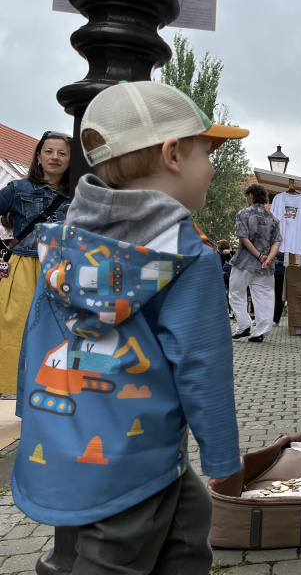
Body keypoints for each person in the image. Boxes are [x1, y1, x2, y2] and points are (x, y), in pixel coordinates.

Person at [11, 81, 246, 574]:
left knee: (189, 514)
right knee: (113, 554)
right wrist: (224, 460)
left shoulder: (66, 242)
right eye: (210, 153)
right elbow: (202, 367)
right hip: (137, 449)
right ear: (174, 154)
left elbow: (37, 339)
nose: (213, 168)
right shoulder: (187, 256)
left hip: (66, 437)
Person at [0, 130, 71, 398]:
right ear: (38, 156)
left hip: (61, 272)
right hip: (23, 269)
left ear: (70, 159)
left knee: (55, 334)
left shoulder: (78, 196)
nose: (55, 157)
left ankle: (47, 396)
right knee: (14, 333)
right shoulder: (18, 189)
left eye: (62, 152)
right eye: (49, 151)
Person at [229, 184, 281, 342]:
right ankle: (260, 332)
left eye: (247, 196)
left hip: (245, 262)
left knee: (236, 293)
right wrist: (268, 258)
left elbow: (244, 238)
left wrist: (259, 256)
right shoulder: (273, 218)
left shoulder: (243, 214)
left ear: (251, 196)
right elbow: (277, 242)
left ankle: (244, 325)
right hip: (266, 266)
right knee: (264, 296)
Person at [273, 253, 286, 325]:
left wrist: (279, 262)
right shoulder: (270, 247)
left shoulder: (285, 250)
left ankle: (276, 319)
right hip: (270, 274)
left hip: (281, 275)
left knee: (279, 298)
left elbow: (289, 262)